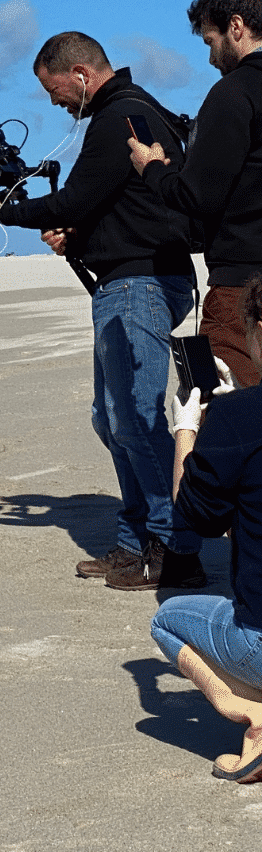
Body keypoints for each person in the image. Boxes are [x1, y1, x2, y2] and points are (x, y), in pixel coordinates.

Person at [0, 33, 201, 590]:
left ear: (78, 73)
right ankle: (134, 540)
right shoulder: (135, 112)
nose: (53, 103)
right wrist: (80, 237)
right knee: (111, 418)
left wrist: (7, 211)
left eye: (53, 90)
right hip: (132, 280)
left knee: (135, 419)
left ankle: (174, 546)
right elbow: (119, 205)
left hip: (141, 282)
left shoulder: (120, 115)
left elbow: (76, 200)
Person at [149, 275, 262, 783]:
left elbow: (196, 517)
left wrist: (188, 429)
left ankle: (252, 717)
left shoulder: (239, 418)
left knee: (168, 620)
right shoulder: (241, 414)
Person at [129, 0, 262, 388]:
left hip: (244, 287)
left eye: (211, 41)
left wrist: (152, 168)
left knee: (225, 416)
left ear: (236, 27)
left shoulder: (234, 92)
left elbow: (198, 196)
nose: (209, 58)